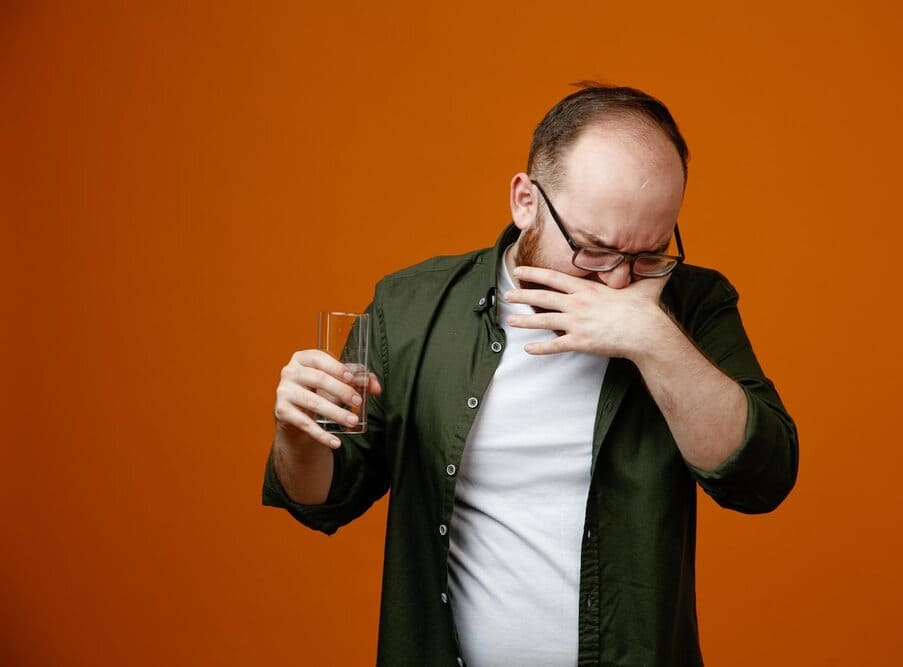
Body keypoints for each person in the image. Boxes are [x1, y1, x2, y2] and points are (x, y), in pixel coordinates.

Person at [262, 83, 799, 667]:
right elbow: (322, 500)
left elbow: (762, 478)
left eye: (649, 254)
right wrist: (297, 433)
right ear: (525, 201)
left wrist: (652, 339)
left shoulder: (692, 305)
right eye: (594, 249)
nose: (619, 281)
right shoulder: (411, 307)